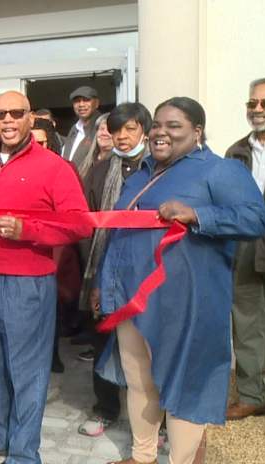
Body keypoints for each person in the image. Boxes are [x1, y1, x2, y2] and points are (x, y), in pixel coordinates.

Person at [94, 97, 265, 464]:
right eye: (157, 124)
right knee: (139, 379)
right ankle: (143, 457)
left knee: (183, 383)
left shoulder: (220, 170)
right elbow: (119, 233)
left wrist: (196, 214)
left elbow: (256, 219)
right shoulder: (139, 174)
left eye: (174, 125)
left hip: (186, 302)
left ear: (197, 132)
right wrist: (103, 285)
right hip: (132, 300)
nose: (161, 132)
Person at [0, 91, 91, 463]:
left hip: (26, 284)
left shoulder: (54, 166)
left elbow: (79, 223)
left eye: (16, 113)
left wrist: (28, 230)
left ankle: (23, 453)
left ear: (31, 118)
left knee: (26, 373)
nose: (8, 120)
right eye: (0, 114)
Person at [75, 103, 152, 438]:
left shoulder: (159, 167)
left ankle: (153, 418)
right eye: (116, 129)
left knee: (150, 345)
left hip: (148, 271)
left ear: (145, 132)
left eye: (130, 129)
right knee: (103, 338)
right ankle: (106, 409)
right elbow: (85, 222)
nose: (122, 137)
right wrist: (93, 274)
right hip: (103, 269)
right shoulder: (101, 170)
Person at [224, 77, 265, 421]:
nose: (257, 110)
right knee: (247, 321)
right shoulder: (236, 151)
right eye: (252, 104)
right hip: (248, 246)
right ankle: (252, 394)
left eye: (264, 104)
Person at [61, 86, 101, 168]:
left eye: (86, 100)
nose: (81, 104)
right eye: (77, 101)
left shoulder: (102, 127)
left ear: (96, 103)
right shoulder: (74, 129)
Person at [77, 113, 113, 181]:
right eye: (101, 129)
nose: (104, 133)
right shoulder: (89, 160)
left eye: (109, 130)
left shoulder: (117, 164)